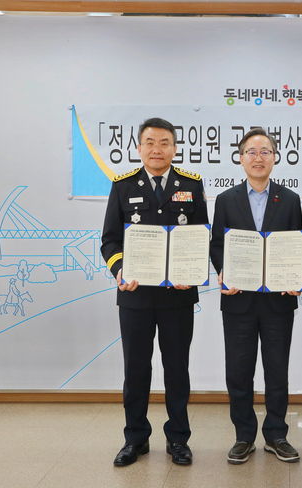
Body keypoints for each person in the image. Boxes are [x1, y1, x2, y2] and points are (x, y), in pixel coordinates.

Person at [101, 117, 208, 467]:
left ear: (175, 148)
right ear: (139, 148)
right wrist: (120, 269)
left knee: (177, 369)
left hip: (178, 296)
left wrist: (191, 272)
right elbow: (110, 240)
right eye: (150, 142)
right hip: (135, 296)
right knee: (136, 370)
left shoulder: (190, 184)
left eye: (164, 143)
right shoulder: (123, 186)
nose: (157, 149)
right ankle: (135, 438)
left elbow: (201, 236)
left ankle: (178, 439)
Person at [210, 128, 302, 465]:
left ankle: (276, 435)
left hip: (278, 300)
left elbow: (297, 243)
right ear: (241, 158)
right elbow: (217, 244)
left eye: (265, 151)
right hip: (239, 299)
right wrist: (224, 271)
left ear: (275, 158)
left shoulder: (290, 199)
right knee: (239, 371)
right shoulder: (225, 199)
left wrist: (296, 275)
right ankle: (244, 436)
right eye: (252, 151)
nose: (258, 157)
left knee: (277, 370)